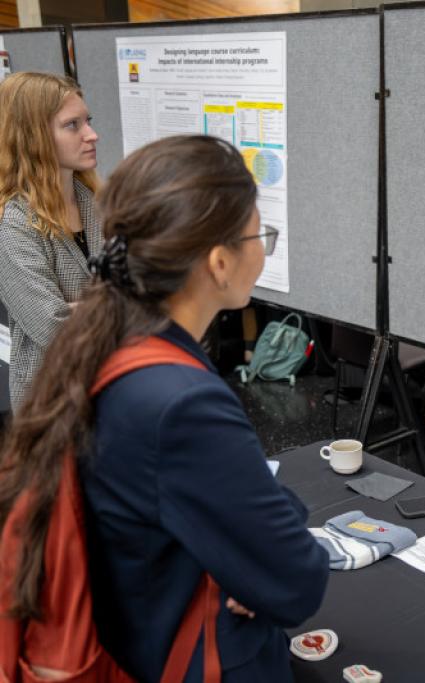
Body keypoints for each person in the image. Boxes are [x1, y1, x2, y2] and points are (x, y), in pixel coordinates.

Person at [0, 136, 328, 681]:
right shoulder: (181, 403)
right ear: (219, 262)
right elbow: (296, 580)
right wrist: (262, 544)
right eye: (259, 235)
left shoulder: (103, 344)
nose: (262, 249)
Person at [0, 72, 102, 409]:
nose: (92, 135)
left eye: (87, 121)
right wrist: (117, 305)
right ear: (33, 136)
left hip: (109, 386)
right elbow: (53, 328)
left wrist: (85, 309)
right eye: (72, 125)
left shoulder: (94, 201)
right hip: (53, 403)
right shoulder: (12, 224)